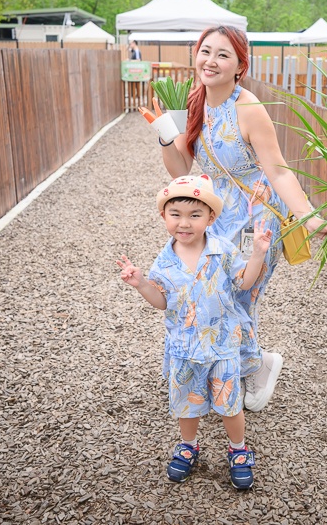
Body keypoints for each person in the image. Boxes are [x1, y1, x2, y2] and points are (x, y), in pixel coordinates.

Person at [156, 25, 327, 413]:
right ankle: (234, 368)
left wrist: (308, 218)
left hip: (256, 220)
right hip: (215, 216)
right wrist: (162, 136)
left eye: (223, 55)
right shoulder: (194, 101)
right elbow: (181, 171)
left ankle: (255, 367)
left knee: (239, 294)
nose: (210, 61)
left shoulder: (249, 108)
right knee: (213, 293)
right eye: (205, 51)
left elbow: (279, 172)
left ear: (241, 65)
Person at [116, 174, 272, 489]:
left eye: (194, 215)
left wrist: (257, 254)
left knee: (230, 404)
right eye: (175, 215)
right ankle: (188, 446)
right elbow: (161, 302)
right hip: (184, 347)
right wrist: (141, 284)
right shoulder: (164, 262)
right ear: (164, 217)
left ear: (210, 217)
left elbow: (244, 282)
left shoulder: (223, 250)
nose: (184, 223)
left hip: (222, 344)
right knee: (187, 403)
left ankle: (238, 450)